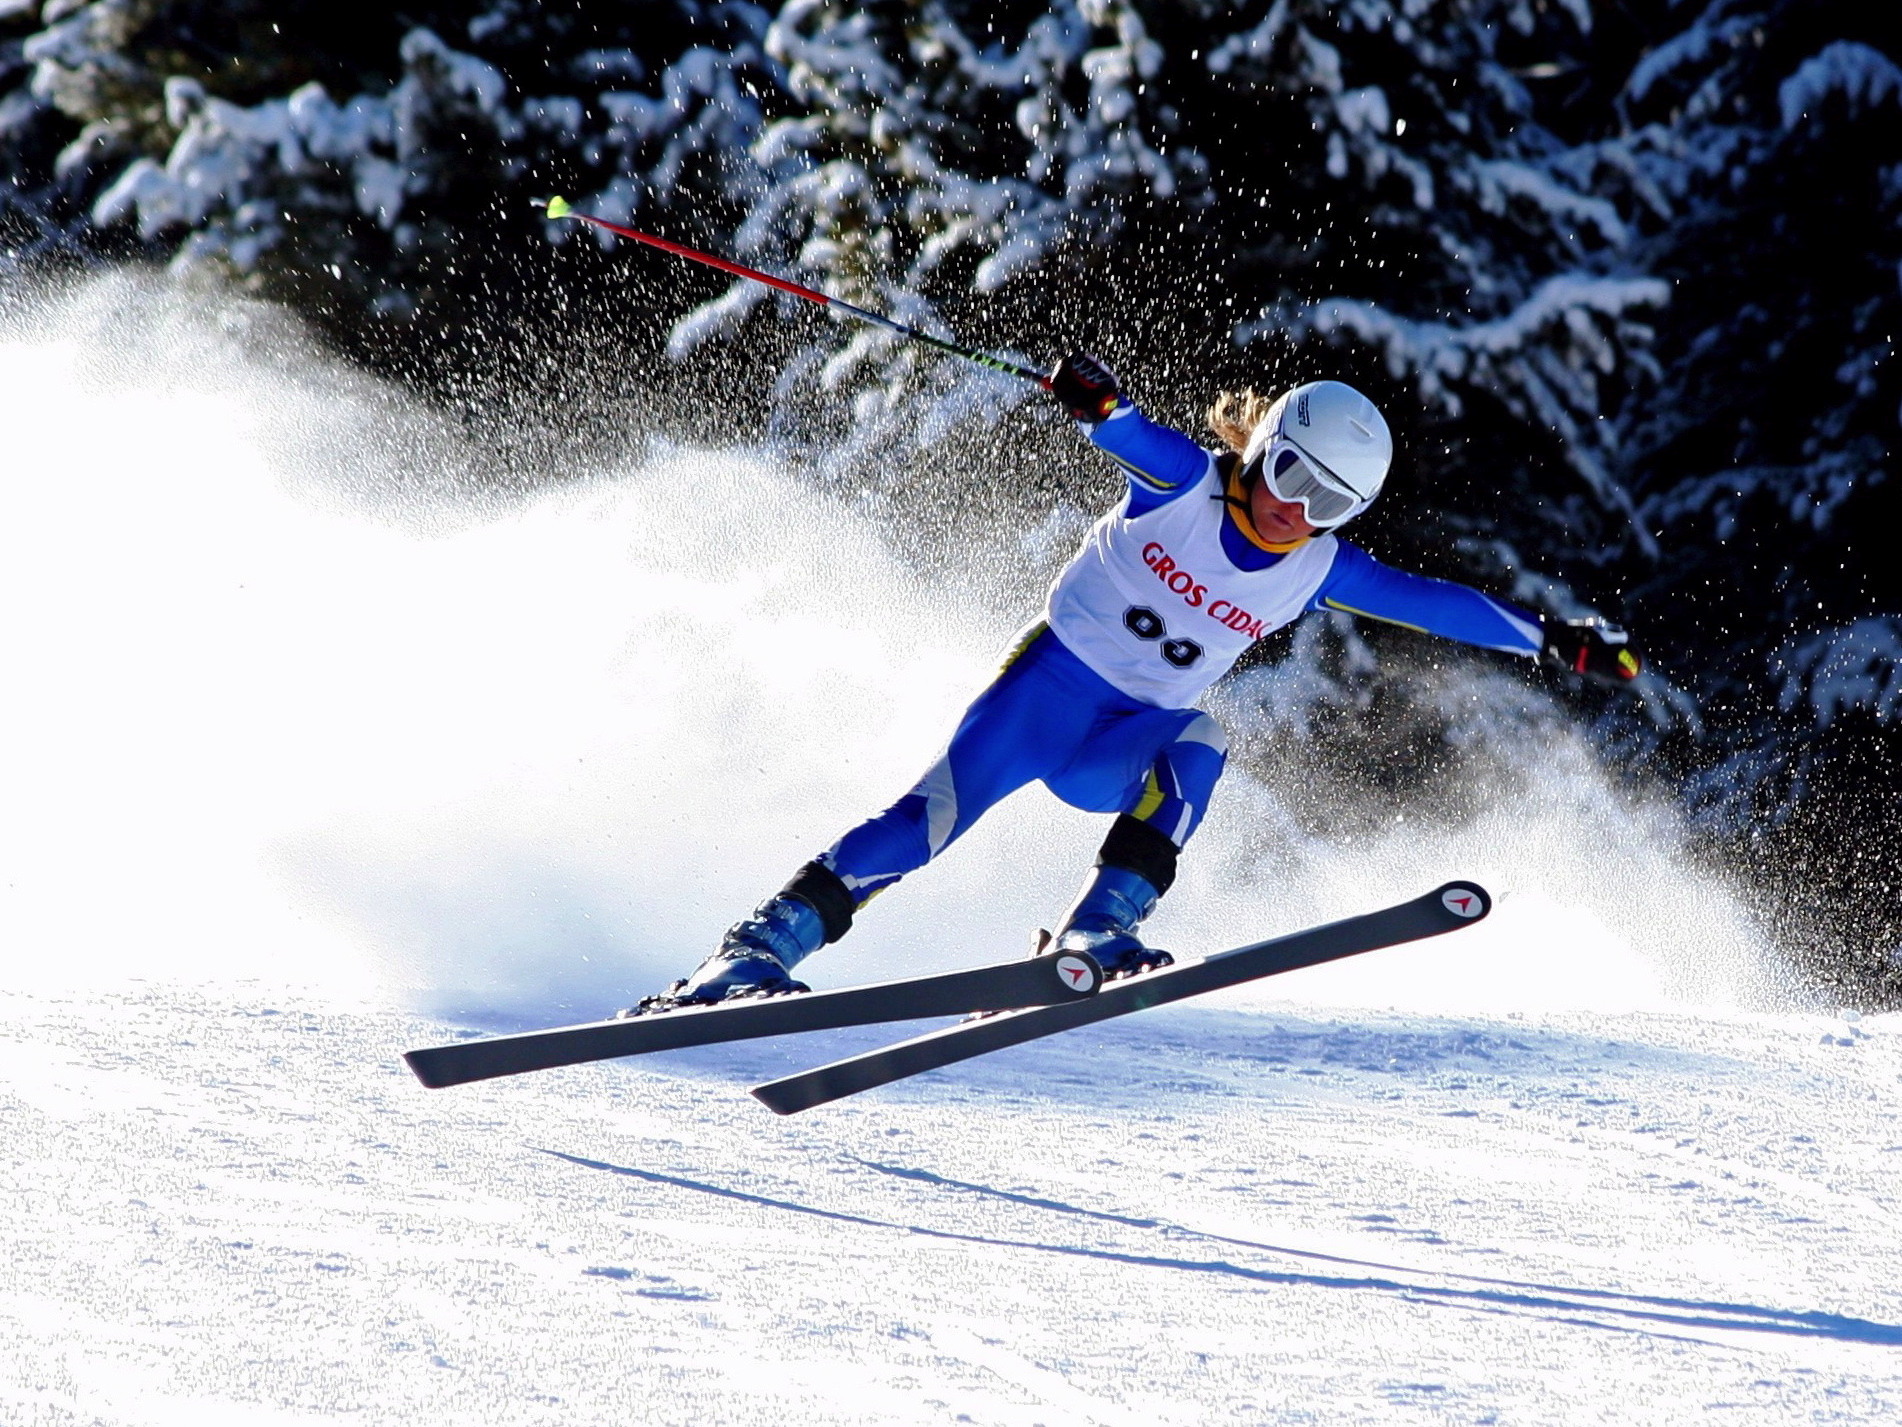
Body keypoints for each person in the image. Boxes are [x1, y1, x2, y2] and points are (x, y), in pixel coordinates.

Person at [639, 354, 1641, 1009]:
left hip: (1125, 741)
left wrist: (1552, 639)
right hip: (1044, 696)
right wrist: (1096, 400)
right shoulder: (1188, 486)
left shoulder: (1316, 566)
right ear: (1263, 450)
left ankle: (1098, 926)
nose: (1299, 511)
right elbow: (1127, 429)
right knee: (924, 822)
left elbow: (1434, 601)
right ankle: (751, 952)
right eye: (1292, 477)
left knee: (1201, 738)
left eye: (1330, 504)